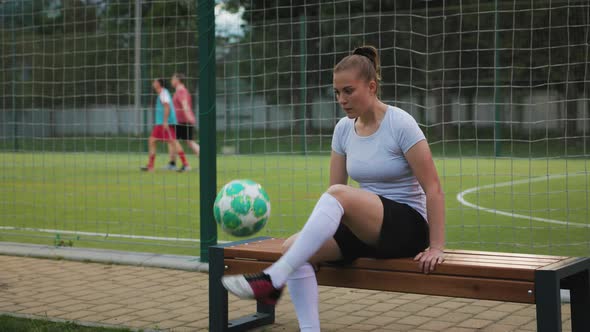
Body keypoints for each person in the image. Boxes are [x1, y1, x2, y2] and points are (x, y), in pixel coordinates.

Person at [221, 46, 446, 331]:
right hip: (365, 229)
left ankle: (273, 279)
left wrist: (437, 246)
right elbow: (335, 194)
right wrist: (312, 245)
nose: (342, 99)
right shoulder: (342, 129)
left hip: (406, 227)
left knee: (332, 202)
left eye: (349, 91)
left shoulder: (401, 123)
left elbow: (433, 188)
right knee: (295, 249)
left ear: (372, 86)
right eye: (337, 92)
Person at [141, 79, 190, 172]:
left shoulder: (163, 93)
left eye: (155, 82)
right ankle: (151, 166)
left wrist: (165, 121)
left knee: (169, 142)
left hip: (164, 122)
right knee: (159, 141)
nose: (153, 83)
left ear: (159, 84)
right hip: (164, 122)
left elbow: (167, 106)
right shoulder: (162, 93)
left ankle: (185, 164)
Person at [170, 73, 199, 172]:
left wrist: (189, 118)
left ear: (177, 80)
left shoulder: (181, 91)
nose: (171, 81)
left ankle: (201, 163)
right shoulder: (179, 91)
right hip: (180, 121)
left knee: (189, 142)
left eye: (173, 79)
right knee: (174, 141)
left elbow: (185, 105)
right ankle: (173, 163)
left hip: (184, 121)